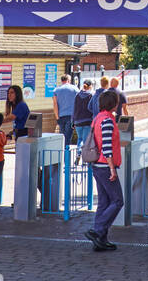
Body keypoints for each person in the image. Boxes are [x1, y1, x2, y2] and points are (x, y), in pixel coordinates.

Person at [86, 90, 124, 251]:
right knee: (117, 201)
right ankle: (97, 230)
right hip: (105, 165)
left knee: (104, 202)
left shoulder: (97, 118)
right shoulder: (108, 120)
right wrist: (112, 169)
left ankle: (100, 240)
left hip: (96, 165)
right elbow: (107, 147)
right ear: (114, 104)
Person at [52, 72, 78, 145]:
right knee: (68, 137)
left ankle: (62, 153)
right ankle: (67, 154)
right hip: (71, 116)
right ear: (69, 80)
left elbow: (55, 104)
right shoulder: (75, 89)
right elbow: (78, 103)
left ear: (61, 80)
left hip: (61, 116)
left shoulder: (56, 90)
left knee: (62, 137)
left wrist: (57, 117)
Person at [72, 79, 96, 157]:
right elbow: (92, 108)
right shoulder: (91, 96)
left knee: (80, 138)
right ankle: (84, 157)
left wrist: (73, 121)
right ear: (90, 86)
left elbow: (74, 109)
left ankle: (78, 152)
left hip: (78, 120)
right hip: (88, 120)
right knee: (86, 140)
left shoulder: (77, 95)